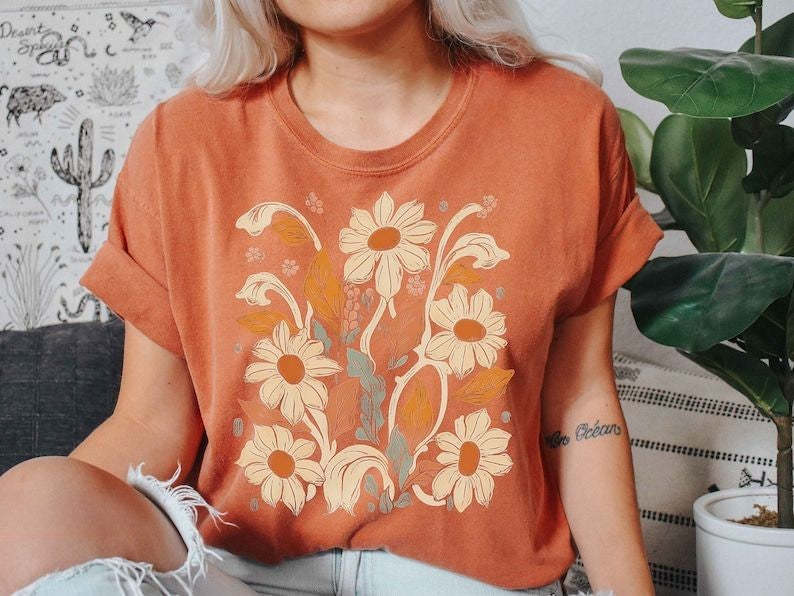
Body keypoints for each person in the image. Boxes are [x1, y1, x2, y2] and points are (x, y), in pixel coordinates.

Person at [0, 1, 662, 594]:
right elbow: (150, 424)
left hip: (472, 585)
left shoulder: (565, 123)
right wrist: (41, 530)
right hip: (237, 578)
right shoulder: (182, 143)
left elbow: (579, 403)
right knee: (28, 504)